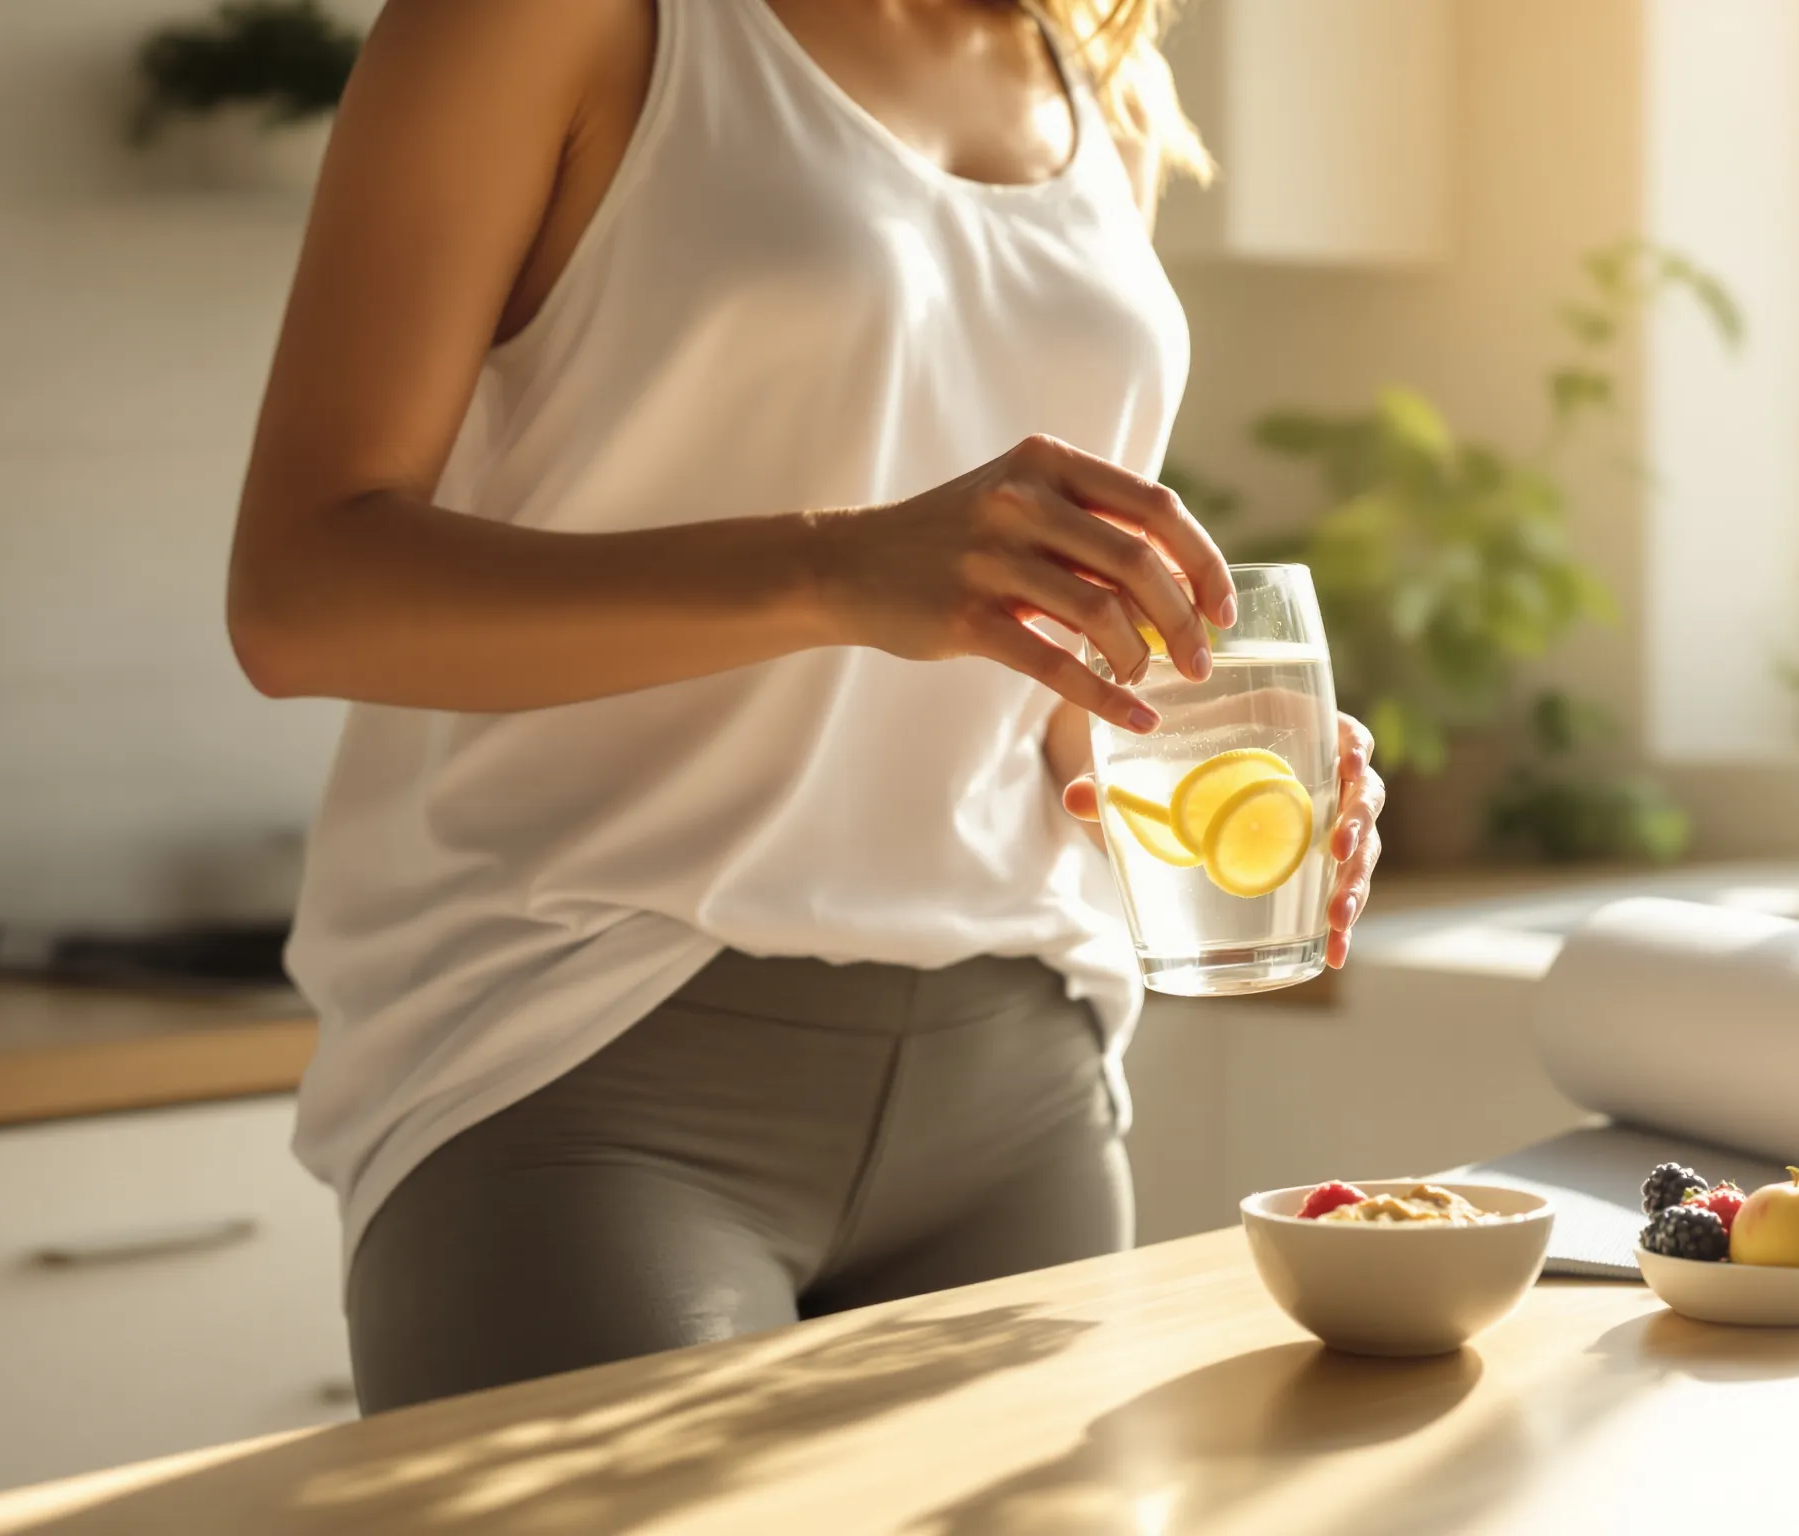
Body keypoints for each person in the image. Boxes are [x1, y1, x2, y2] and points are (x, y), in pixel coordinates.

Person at [226, 0, 1387, 1413]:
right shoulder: (558, 22)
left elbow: (1023, 649)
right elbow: (298, 594)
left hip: (1017, 1071)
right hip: (587, 1053)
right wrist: (833, 564)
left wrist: (1226, 763)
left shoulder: (1096, 77)